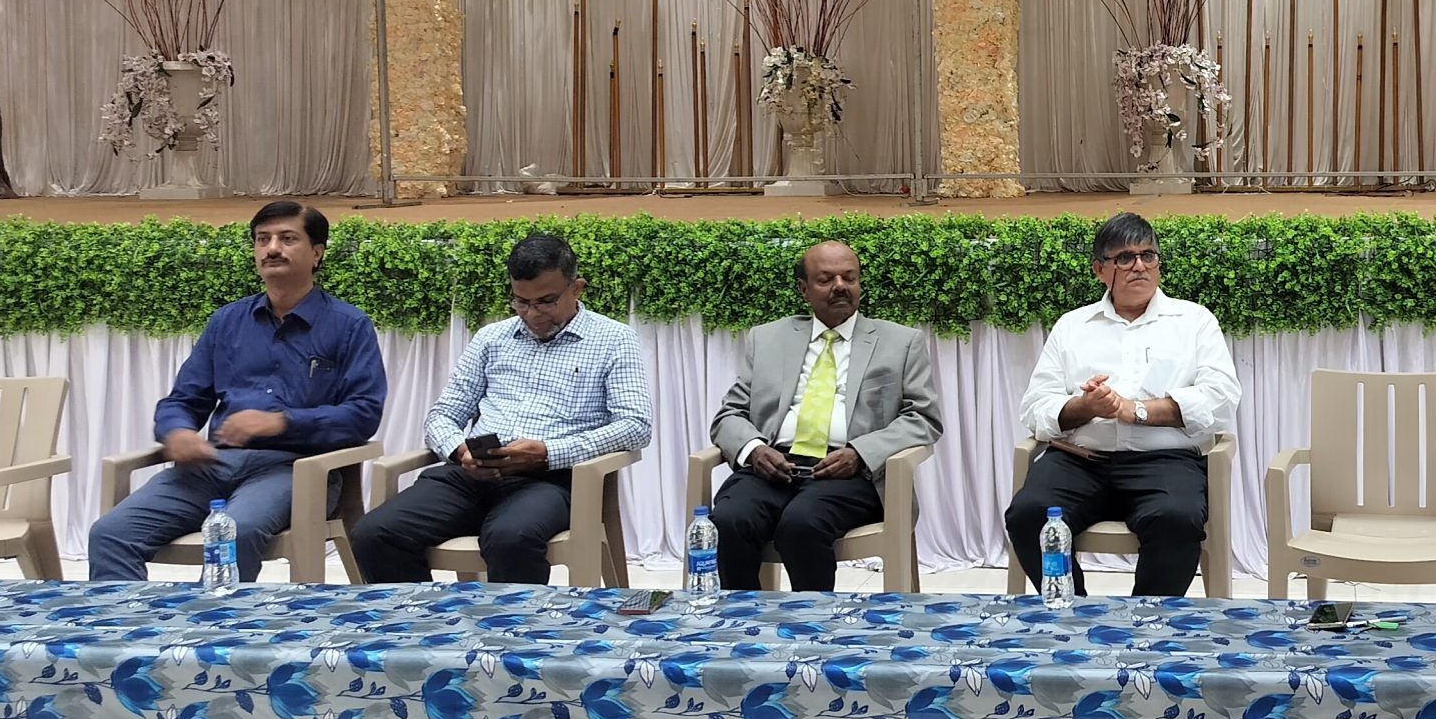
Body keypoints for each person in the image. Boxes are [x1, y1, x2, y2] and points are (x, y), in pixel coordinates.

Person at [87, 200, 386, 583]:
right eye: (263, 239)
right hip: (211, 465)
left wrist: (282, 422)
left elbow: (363, 414)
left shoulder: (349, 325)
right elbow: (183, 400)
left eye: (287, 239)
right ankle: (128, 620)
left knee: (234, 532)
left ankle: (211, 619)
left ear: (316, 253)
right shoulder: (228, 321)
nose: (272, 248)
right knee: (111, 533)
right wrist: (177, 431)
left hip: (294, 470)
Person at [352, 232, 651, 584]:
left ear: (577, 288)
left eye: (546, 301)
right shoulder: (492, 338)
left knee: (511, 538)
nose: (532, 314)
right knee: (375, 533)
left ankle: (510, 623)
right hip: (470, 476)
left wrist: (548, 453)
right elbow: (442, 414)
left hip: (551, 480)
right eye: (521, 302)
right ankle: (427, 618)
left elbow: (636, 425)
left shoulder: (613, 339)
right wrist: (459, 450)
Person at [1004, 211, 1240, 597]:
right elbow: (1035, 406)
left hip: (1165, 461)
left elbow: (1221, 399)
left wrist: (1137, 410)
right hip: (1079, 461)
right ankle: (1073, 614)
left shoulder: (1193, 321)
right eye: (1125, 258)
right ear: (1100, 269)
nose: (1139, 266)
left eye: (1148, 256)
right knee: (1029, 514)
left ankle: (1146, 620)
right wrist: (1085, 407)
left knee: (1176, 518)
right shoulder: (1072, 326)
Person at [706, 241, 944, 592]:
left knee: (801, 524)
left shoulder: (901, 342)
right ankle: (745, 618)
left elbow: (923, 417)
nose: (840, 286)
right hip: (774, 466)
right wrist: (754, 450)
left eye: (849, 278)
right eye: (826, 279)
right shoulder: (768, 338)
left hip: (851, 473)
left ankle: (812, 621)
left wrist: (861, 453)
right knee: (730, 520)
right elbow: (730, 413)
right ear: (804, 289)